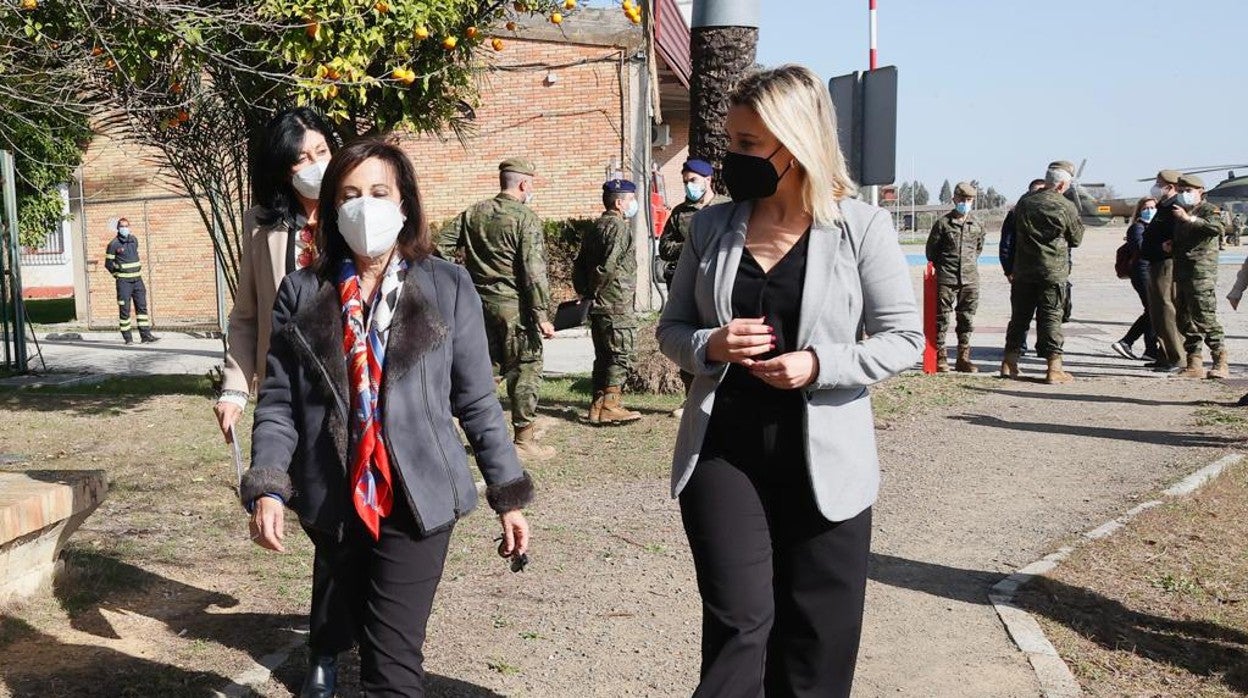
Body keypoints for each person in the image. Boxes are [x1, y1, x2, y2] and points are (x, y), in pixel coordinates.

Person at [657, 65, 923, 697]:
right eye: (732, 141)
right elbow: (672, 330)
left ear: (797, 142)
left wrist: (820, 365)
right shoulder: (712, 227)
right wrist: (709, 343)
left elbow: (905, 340)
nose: (732, 158)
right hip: (724, 452)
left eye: (749, 145)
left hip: (826, 462)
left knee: (817, 641)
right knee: (739, 627)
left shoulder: (861, 228)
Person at [242, 139, 534, 696]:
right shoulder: (301, 292)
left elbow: (475, 401)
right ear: (331, 209)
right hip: (334, 498)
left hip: (418, 497)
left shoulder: (448, 286)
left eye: (379, 192)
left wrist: (508, 494)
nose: (364, 206)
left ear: (405, 204)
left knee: (392, 662)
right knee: (362, 628)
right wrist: (269, 486)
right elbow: (279, 403)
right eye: (349, 195)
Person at [216, 107, 337, 440]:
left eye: (322, 152)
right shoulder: (261, 226)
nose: (317, 164)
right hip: (285, 392)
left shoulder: (353, 213)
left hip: (347, 388)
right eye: (302, 158)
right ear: (284, 170)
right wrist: (235, 390)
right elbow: (246, 316)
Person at [436, 158, 557, 460]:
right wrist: (542, 314)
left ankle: (452, 428)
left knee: (484, 370)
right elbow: (533, 271)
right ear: (523, 184)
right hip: (515, 309)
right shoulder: (525, 218)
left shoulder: (473, 212)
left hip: (477, 305)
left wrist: (458, 286)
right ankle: (524, 440)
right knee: (525, 368)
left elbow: (440, 249)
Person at [1000, 160, 1084, 384]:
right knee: (1050, 318)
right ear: (1061, 185)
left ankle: (1009, 363)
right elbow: (1076, 238)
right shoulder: (1065, 206)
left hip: (1023, 271)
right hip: (1052, 272)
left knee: (1019, 318)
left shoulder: (1025, 202)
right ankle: (1054, 369)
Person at [573, 178, 642, 424]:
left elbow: (579, 265)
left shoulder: (595, 227)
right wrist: (597, 289)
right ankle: (611, 405)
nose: (634, 203)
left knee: (603, 354)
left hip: (598, 304)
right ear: (619, 202)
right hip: (615, 303)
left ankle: (597, 406)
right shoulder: (619, 228)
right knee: (621, 353)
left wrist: (585, 293)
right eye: (631, 199)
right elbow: (609, 265)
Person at [659, 159, 730, 394]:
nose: (689, 185)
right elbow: (665, 247)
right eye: (686, 181)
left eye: (693, 180)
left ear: (708, 180)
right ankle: (690, 395)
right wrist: (692, 246)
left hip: (717, 283)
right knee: (689, 337)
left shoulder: (726, 207)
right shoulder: (681, 213)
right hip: (686, 283)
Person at [1169, 173, 1228, 379]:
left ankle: (1220, 360)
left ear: (1200, 192)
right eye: (1181, 191)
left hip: (1201, 273)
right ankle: (1194, 362)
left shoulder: (1208, 209)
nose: (1184, 194)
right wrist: (1171, 245)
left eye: (1188, 191)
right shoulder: (1179, 212)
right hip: (1182, 271)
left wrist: (1190, 219)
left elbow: (1217, 228)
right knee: (1184, 318)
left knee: (1204, 316)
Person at [925, 181, 985, 372]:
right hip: (946, 278)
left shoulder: (977, 224)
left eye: (969, 199)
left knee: (966, 319)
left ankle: (963, 358)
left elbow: (978, 249)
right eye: (962, 199)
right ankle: (940, 357)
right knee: (941, 318)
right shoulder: (943, 223)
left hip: (969, 279)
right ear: (954, 199)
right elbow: (931, 252)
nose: (965, 203)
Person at [1139, 169, 1187, 372]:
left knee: (1166, 310)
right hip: (1155, 262)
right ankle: (1164, 354)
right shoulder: (1162, 206)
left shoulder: (1177, 207)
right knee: (1157, 312)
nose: (1156, 187)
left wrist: (1167, 247)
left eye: (1159, 183)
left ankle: (1177, 357)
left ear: (1170, 186)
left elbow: (1179, 235)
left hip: (1166, 264)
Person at [998, 178, 1045, 356]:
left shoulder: (1050, 213)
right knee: (1021, 314)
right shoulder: (1016, 213)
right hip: (1022, 272)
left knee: (1046, 313)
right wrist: (1008, 270)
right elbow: (1006, 244)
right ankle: (1018, 347)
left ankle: (1044, 347)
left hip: (1045, 271)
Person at [1110, 198, 1160, 362]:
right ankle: (1127, 341)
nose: (1150, 210)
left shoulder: (1152, 227)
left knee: (1152, 311)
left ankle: (1150, 350)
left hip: (1149, 271)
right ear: (1139, 211)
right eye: (1146, 208)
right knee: (1153, 309)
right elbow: (1140, 249)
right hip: (1142, 272)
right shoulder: (1137, 228)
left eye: (1153, 207)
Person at [103, 218, 159, 344]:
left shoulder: (134, 240)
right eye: (122, 226)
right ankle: (128, 338)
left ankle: (145, 336)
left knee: (142, 309)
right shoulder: (113, 244)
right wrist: (117, 274)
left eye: (127, 226)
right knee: (125, 310)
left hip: (138, 281)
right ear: (118, 228)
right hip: (124, 283)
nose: (125, 228)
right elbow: (108, 264)